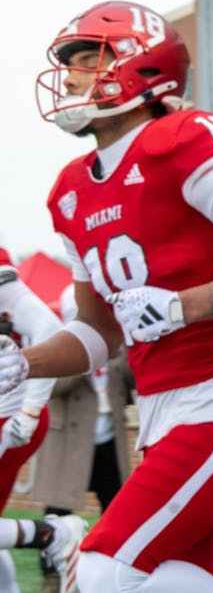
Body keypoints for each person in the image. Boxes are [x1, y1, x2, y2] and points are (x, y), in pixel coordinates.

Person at [0, 1, 213, 592]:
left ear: (143, 69)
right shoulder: (70, 193)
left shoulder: (179, 139)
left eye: (87, 60)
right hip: (159, 415)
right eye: (69, 63)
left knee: (97, 573)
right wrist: (26, 363)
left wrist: (181, 307)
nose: (70, 77)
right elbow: (100, 333)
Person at [34, 284, 133, 593]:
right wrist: (82, 356)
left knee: (117, 509)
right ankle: (53, 576)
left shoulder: (116, 345)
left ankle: (109, 572)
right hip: (70, 441)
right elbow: (52, 388)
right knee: (58, 513)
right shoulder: (57, 343)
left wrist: (129, 345)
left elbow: (133, 382)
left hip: (109, 440)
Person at [0, 249, 88, 593]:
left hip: (9, 413)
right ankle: (51, 535)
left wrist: (30, 410)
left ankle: (53, 534)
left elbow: (49, 329)